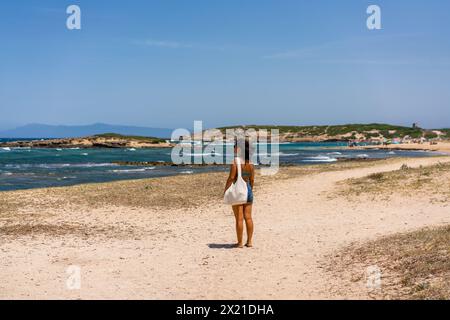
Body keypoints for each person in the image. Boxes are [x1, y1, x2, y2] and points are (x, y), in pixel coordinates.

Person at [224, 139, 255, 248]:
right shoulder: (250, 163)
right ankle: (249, 242)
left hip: (238, 191)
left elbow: (231, 178)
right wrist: (250, 190)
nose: (233, 148)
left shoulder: (235, 162)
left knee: (239, 218)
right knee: (249, 217)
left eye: (234, 146)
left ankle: (240, 243)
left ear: (239, 149)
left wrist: (225, 190)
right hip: (248, 190)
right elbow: (251, 180)